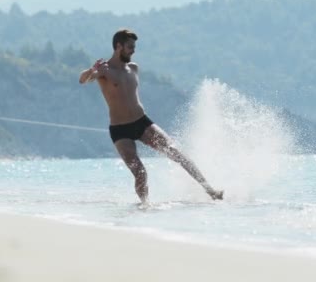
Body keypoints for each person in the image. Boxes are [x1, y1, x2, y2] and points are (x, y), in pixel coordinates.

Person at [79, 28, 223, 204]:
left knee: (177, 153)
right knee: (140, 172)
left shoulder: (133, 68)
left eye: (134, 47)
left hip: (142, 123)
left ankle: (210, 190)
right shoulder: (104, 71)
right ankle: (144, 207)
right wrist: (91, 69)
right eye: (130, 47)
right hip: (120, 130)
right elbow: (83, 80)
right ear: (119, 46)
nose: (133, 50)